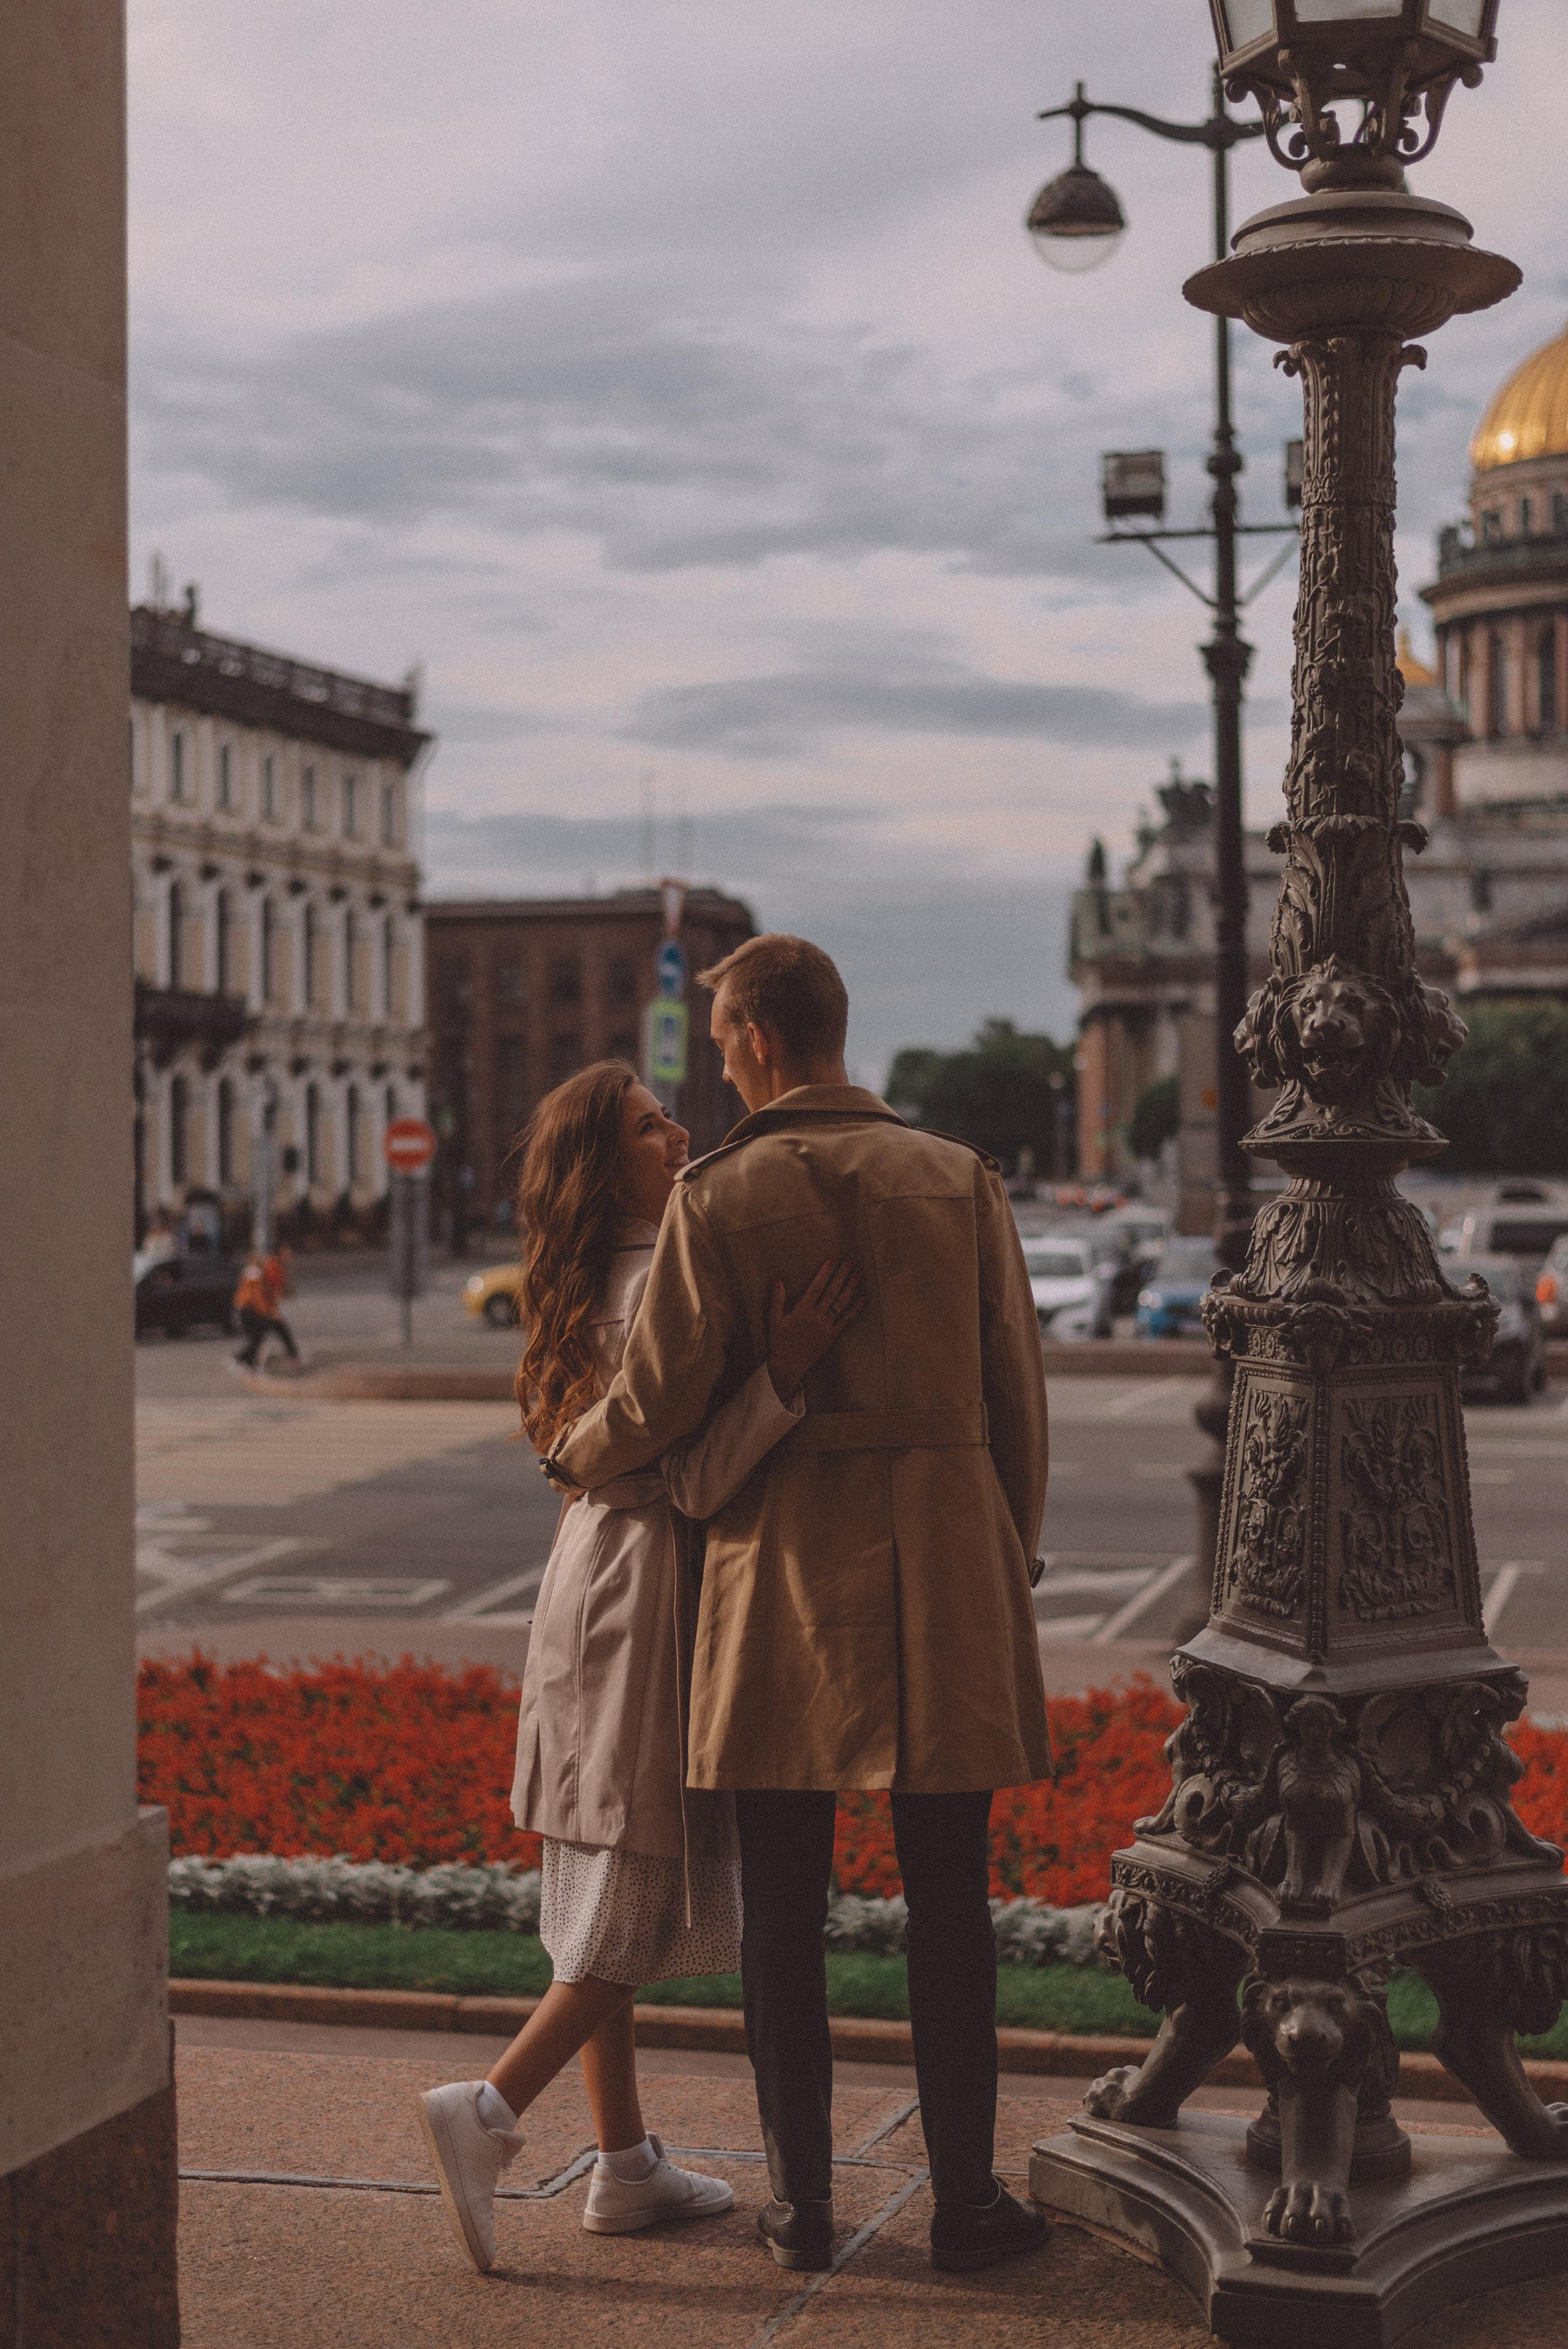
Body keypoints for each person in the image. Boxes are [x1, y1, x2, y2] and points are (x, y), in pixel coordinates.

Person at [546, 936, 1053, 2278]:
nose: (719, 1068)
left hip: (779, 1571)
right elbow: (1016, 1392)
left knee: (783, 1905)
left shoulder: (721, 1194)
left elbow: (657, 1399)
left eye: (722, 1043)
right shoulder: (958, 1177)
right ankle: (965, 2202)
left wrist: (571, 1453)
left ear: (760, 1039)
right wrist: (1008, 1546)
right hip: (945, 1556)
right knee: (951, 1901)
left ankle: (804, 2206)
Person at [417, 1060, 862, 2274]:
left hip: (592, 1577)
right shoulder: (656, 1282)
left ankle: (622, 2166)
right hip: (649, 1585)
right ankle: (490, 2109)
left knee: (601, 1872)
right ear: (602, 1166)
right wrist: (784, 1370)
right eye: (647, 1125)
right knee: (637, 1891)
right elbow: (695, 1479)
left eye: (668, 1115)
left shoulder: (587, 1277)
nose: (678, 1132)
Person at [230, 1240, 300, 1371]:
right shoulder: (263, 1270)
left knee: (259, 1338)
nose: (289, 1254)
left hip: (254, 1309)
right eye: (286, 1251)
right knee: (273, 1332)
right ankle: (242, 1361)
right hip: (250, 1309)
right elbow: (256, 1295)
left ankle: (246, 1362)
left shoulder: (270, 1268)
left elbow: (273, 1294)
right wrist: (269, 1312)